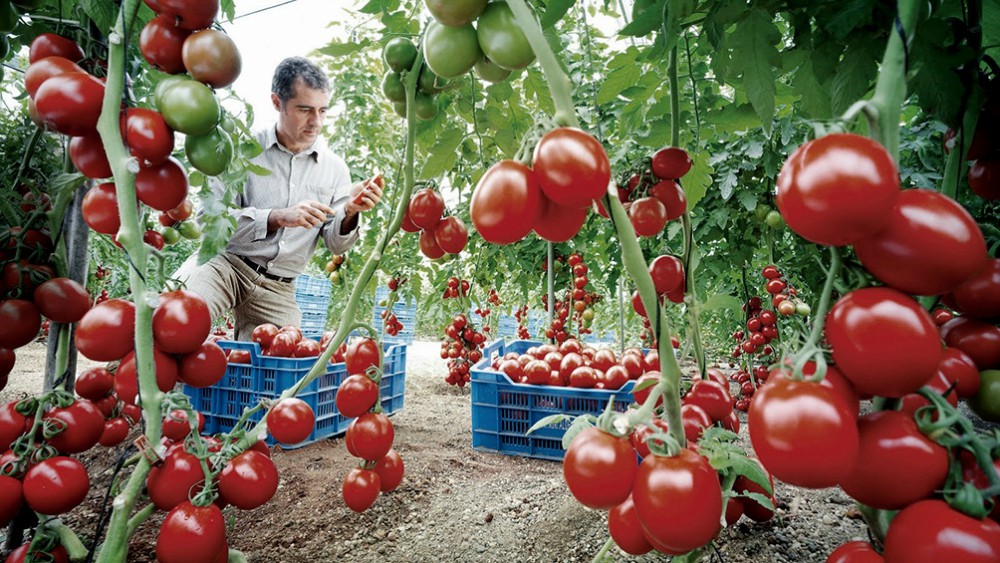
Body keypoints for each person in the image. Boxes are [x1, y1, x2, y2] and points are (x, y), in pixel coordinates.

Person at [175, 56, 383, 341]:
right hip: (224, 265)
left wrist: (349, 212)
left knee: (281, 357)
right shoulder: (241, 149)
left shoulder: (335, 169)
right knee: (181, 318)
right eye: (305, 110)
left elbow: (336, 243)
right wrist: (276, 217)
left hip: (279, 287)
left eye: (323, 111)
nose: (316, 122)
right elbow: (209, 221)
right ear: (277, 102)